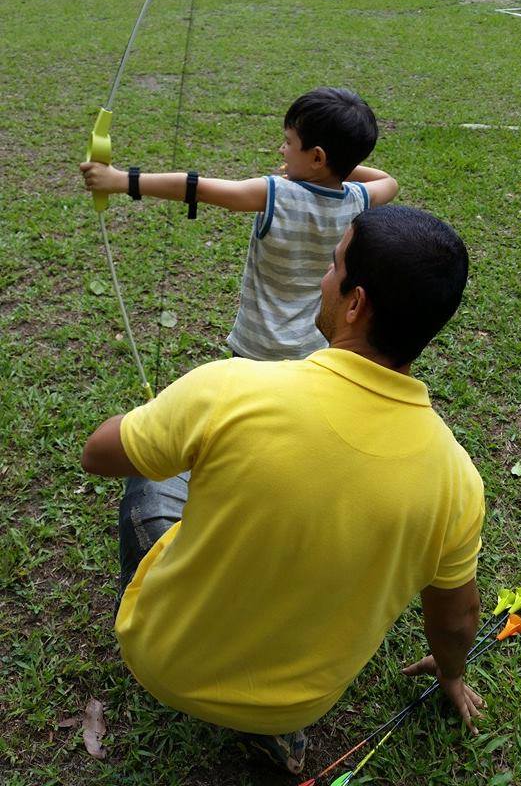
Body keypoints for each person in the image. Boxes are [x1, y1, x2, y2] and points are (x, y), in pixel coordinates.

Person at [82, 205, 485, 776]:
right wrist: (451, 672)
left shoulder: (231, 387)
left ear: (355, 302)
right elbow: (456, 619)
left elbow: (98, 454)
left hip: (163, 662)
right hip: (296, 704)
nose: (324, 275)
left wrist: (161, 417)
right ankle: (275, 732)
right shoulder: (458, 483)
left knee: (150, 474)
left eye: (334, 264)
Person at [80, 87, 398, 360]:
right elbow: (389, 181)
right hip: (312, 348)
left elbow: (197, 188)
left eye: (288, 142)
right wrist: (338, 169)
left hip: (256, 348)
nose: (281, 149)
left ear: (317, 157)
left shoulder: (276, 192)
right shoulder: (359, 198)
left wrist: (120, 180)